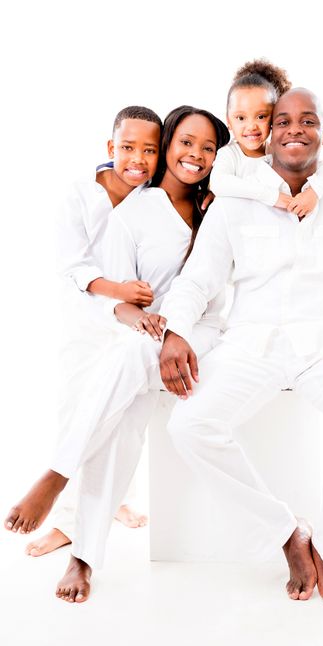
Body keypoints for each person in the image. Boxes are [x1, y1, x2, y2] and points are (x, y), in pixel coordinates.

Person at [158, 88, 323, 608]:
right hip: (251, 345)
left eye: (307, 120)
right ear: (267, 135)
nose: (294, 129)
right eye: (283, 120)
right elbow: (198, 280)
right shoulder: (236, 203)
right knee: (189, 425)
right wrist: (174, 330)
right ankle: (288, 533)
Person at [4, 106, 230, 603]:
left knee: (129, 369)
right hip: (149, 339)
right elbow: (116, 295)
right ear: (169, 145)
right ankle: (83, 554)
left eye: (208, 147)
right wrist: (151, 324)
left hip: (207, 334)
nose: (195, 154)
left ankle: (59, 474)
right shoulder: (133, 214)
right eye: (185, 142)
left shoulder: (222, 204)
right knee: (123, 420)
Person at [25, 106, 162, 558]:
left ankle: (117, 497)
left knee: (122, 419)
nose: (137, 159)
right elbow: (73, 266)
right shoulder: (81, 195)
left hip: (135, 327)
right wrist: (118, 290)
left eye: (148, 150)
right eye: (127, 148)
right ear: (111, 148)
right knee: (78, 409)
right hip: (89, 319)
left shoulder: (154, 197)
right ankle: (65, 521)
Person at [210, 58, 323, 216]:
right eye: (241, 118)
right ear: (228, 121)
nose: (251, 126)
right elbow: (218, 183)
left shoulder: (278, 151)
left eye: (261, 117)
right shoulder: (230, 154)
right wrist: (273, 196)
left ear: (274, 120)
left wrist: (313, 193)